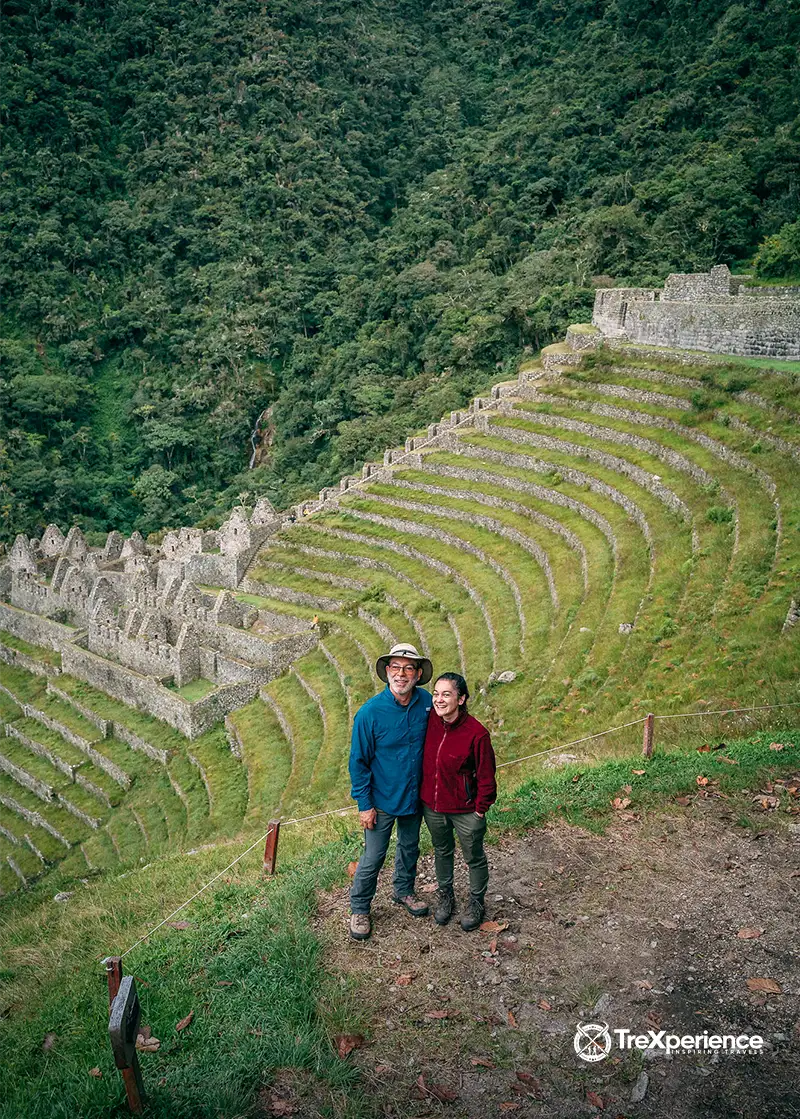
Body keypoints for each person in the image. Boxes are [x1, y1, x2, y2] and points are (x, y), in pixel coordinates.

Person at [348, 642, 434, 940]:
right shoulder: (369, 714)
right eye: (396, 668)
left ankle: (403, 891)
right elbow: (358, 762)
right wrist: (364, 804)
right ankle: (359, 908)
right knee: (373, 856)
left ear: (418, 673)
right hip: (381, 800)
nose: (401, 674)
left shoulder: (426, 702)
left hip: (414, 795)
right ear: (387, 672)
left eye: (408, 668)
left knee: (410, 847)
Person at [420, 672, 497, 932]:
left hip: (465, 810)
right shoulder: (431, 720)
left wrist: (479, 811)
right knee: (442, 851)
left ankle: (476, 901)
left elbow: (487, 778)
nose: (439, 700)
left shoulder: (477, 734)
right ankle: (446, 895)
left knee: (473, 857)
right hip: (433, 806)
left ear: (461, 699)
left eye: (447, 694)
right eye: (436, 694)